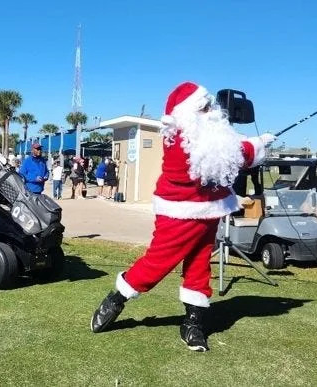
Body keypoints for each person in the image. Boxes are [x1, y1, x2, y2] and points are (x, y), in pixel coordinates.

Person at [89, 82, 275, 352]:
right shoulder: (179, 142)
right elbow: (229, 156)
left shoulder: (207, 134)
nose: (212, 111)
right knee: (157, 264)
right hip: (180, 213)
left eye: (210, 105)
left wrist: (253, 147)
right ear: (188, 114)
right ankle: (116, 298)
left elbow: (228, 150)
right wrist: (256, 147)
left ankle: (193, 322)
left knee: (200, 264)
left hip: (209, 210)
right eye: (204, 107)